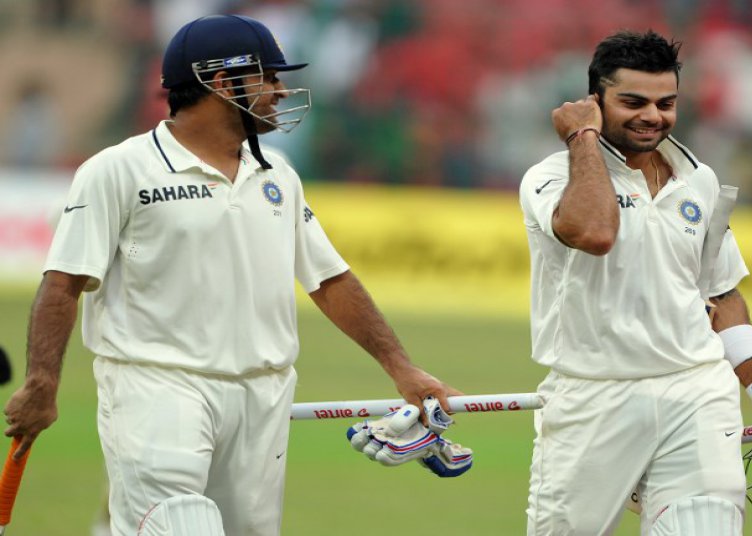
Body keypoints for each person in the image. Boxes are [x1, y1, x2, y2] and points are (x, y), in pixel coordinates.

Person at [2, 14, 458, 536]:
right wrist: (42, 383)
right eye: (269, 78)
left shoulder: (277, 173)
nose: (281, 92)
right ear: (221, 82)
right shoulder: (118, 169)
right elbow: (63, 283)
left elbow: (330, 281)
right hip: (156, 389)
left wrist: (402, 368)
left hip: (263, 398)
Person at [519, 30, 752, 535]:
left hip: (696, 390)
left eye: (666, 103)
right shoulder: (549, 177)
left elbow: (721, 294)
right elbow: (594, 232)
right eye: (633, 102)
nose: (652, 116)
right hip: (593, 398)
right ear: (594, 101)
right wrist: (582, 137)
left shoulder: (699, 179)